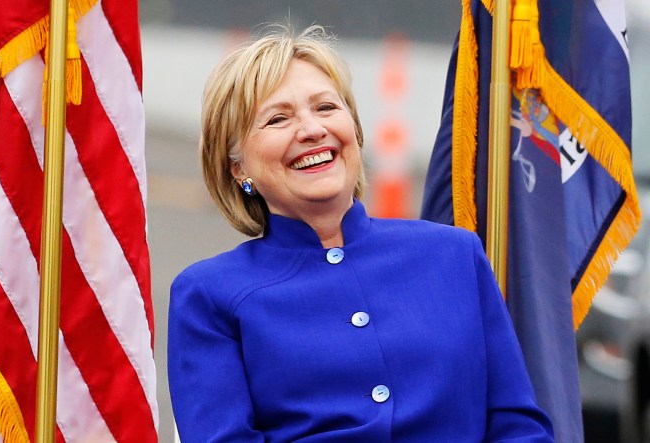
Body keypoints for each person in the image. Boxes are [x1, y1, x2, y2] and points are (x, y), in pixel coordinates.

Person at [167, 24, 554, 442]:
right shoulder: (207, 295)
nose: (312, 129)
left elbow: (518, 427)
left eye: (326, 108)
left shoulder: (456, 255)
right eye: (278, 118)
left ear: (354, 129)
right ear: (237, 167)